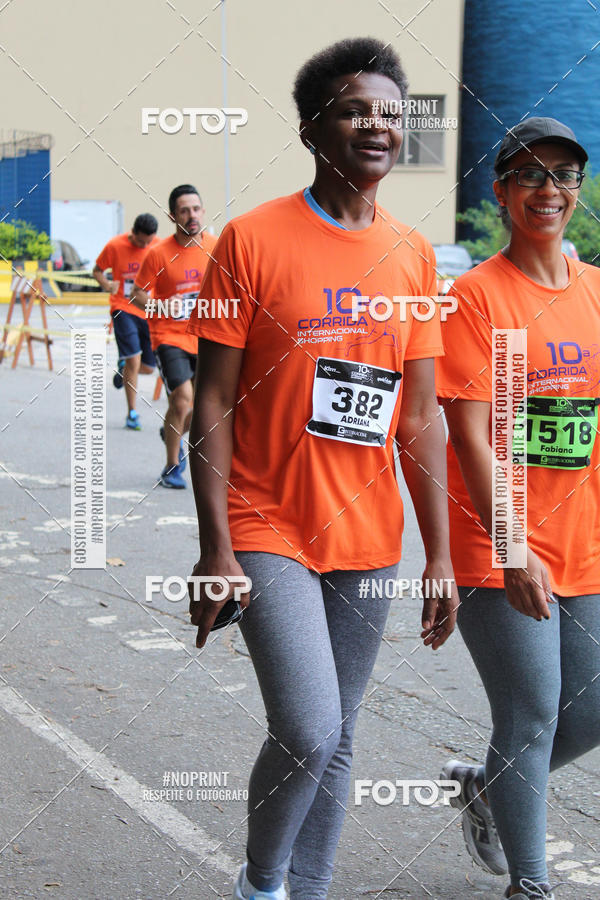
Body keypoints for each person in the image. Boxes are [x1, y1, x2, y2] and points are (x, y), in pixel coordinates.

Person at [186, 37, 459, 900]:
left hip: (369, 536)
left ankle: (309, 888)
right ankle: (261, 882)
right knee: (307, 726)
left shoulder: (414, 256)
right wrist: (215, 548)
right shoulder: (250, 239)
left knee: (339, 736)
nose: (376, 125)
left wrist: (441, 557)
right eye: (353, 109)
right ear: (313, 128)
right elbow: (214, 406)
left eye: (388, 112)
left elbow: (418, 418)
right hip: (268, 525)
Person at [436, 117, 600, 899]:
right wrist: (512, 546)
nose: (550, 190)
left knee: (592, 712)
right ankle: (530, 886)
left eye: (564, 176)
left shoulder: (599, 290)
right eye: (531, 175)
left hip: (586, 541)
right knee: (533, 713)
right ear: (501, 192)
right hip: (496, 545)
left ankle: (487, 785)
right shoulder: (475, 296)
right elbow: (471, 438)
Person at [130, 185, 217, 488]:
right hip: (169, 337)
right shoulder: (159, 254)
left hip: (207, 338)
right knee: (182, 401)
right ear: (173, 215)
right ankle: (171, 467)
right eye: (184, 210)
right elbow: (137, 295)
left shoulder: (217, 248)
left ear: (203, 211)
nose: (191, 215)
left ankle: (172, 431)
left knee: (203, 407)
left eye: (195, 209)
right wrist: (162, 305)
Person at [93, 213, 158, 430]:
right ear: (133, 232)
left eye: (149, 241)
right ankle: (132, 413)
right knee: (133, 359)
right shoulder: (115, 245)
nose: (145, 246)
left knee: (148, 368)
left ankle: (124, 371)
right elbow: (97, 270)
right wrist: (106, 284)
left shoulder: (158, 246)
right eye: (141, 241)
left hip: (148, 310)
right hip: (122, 307)